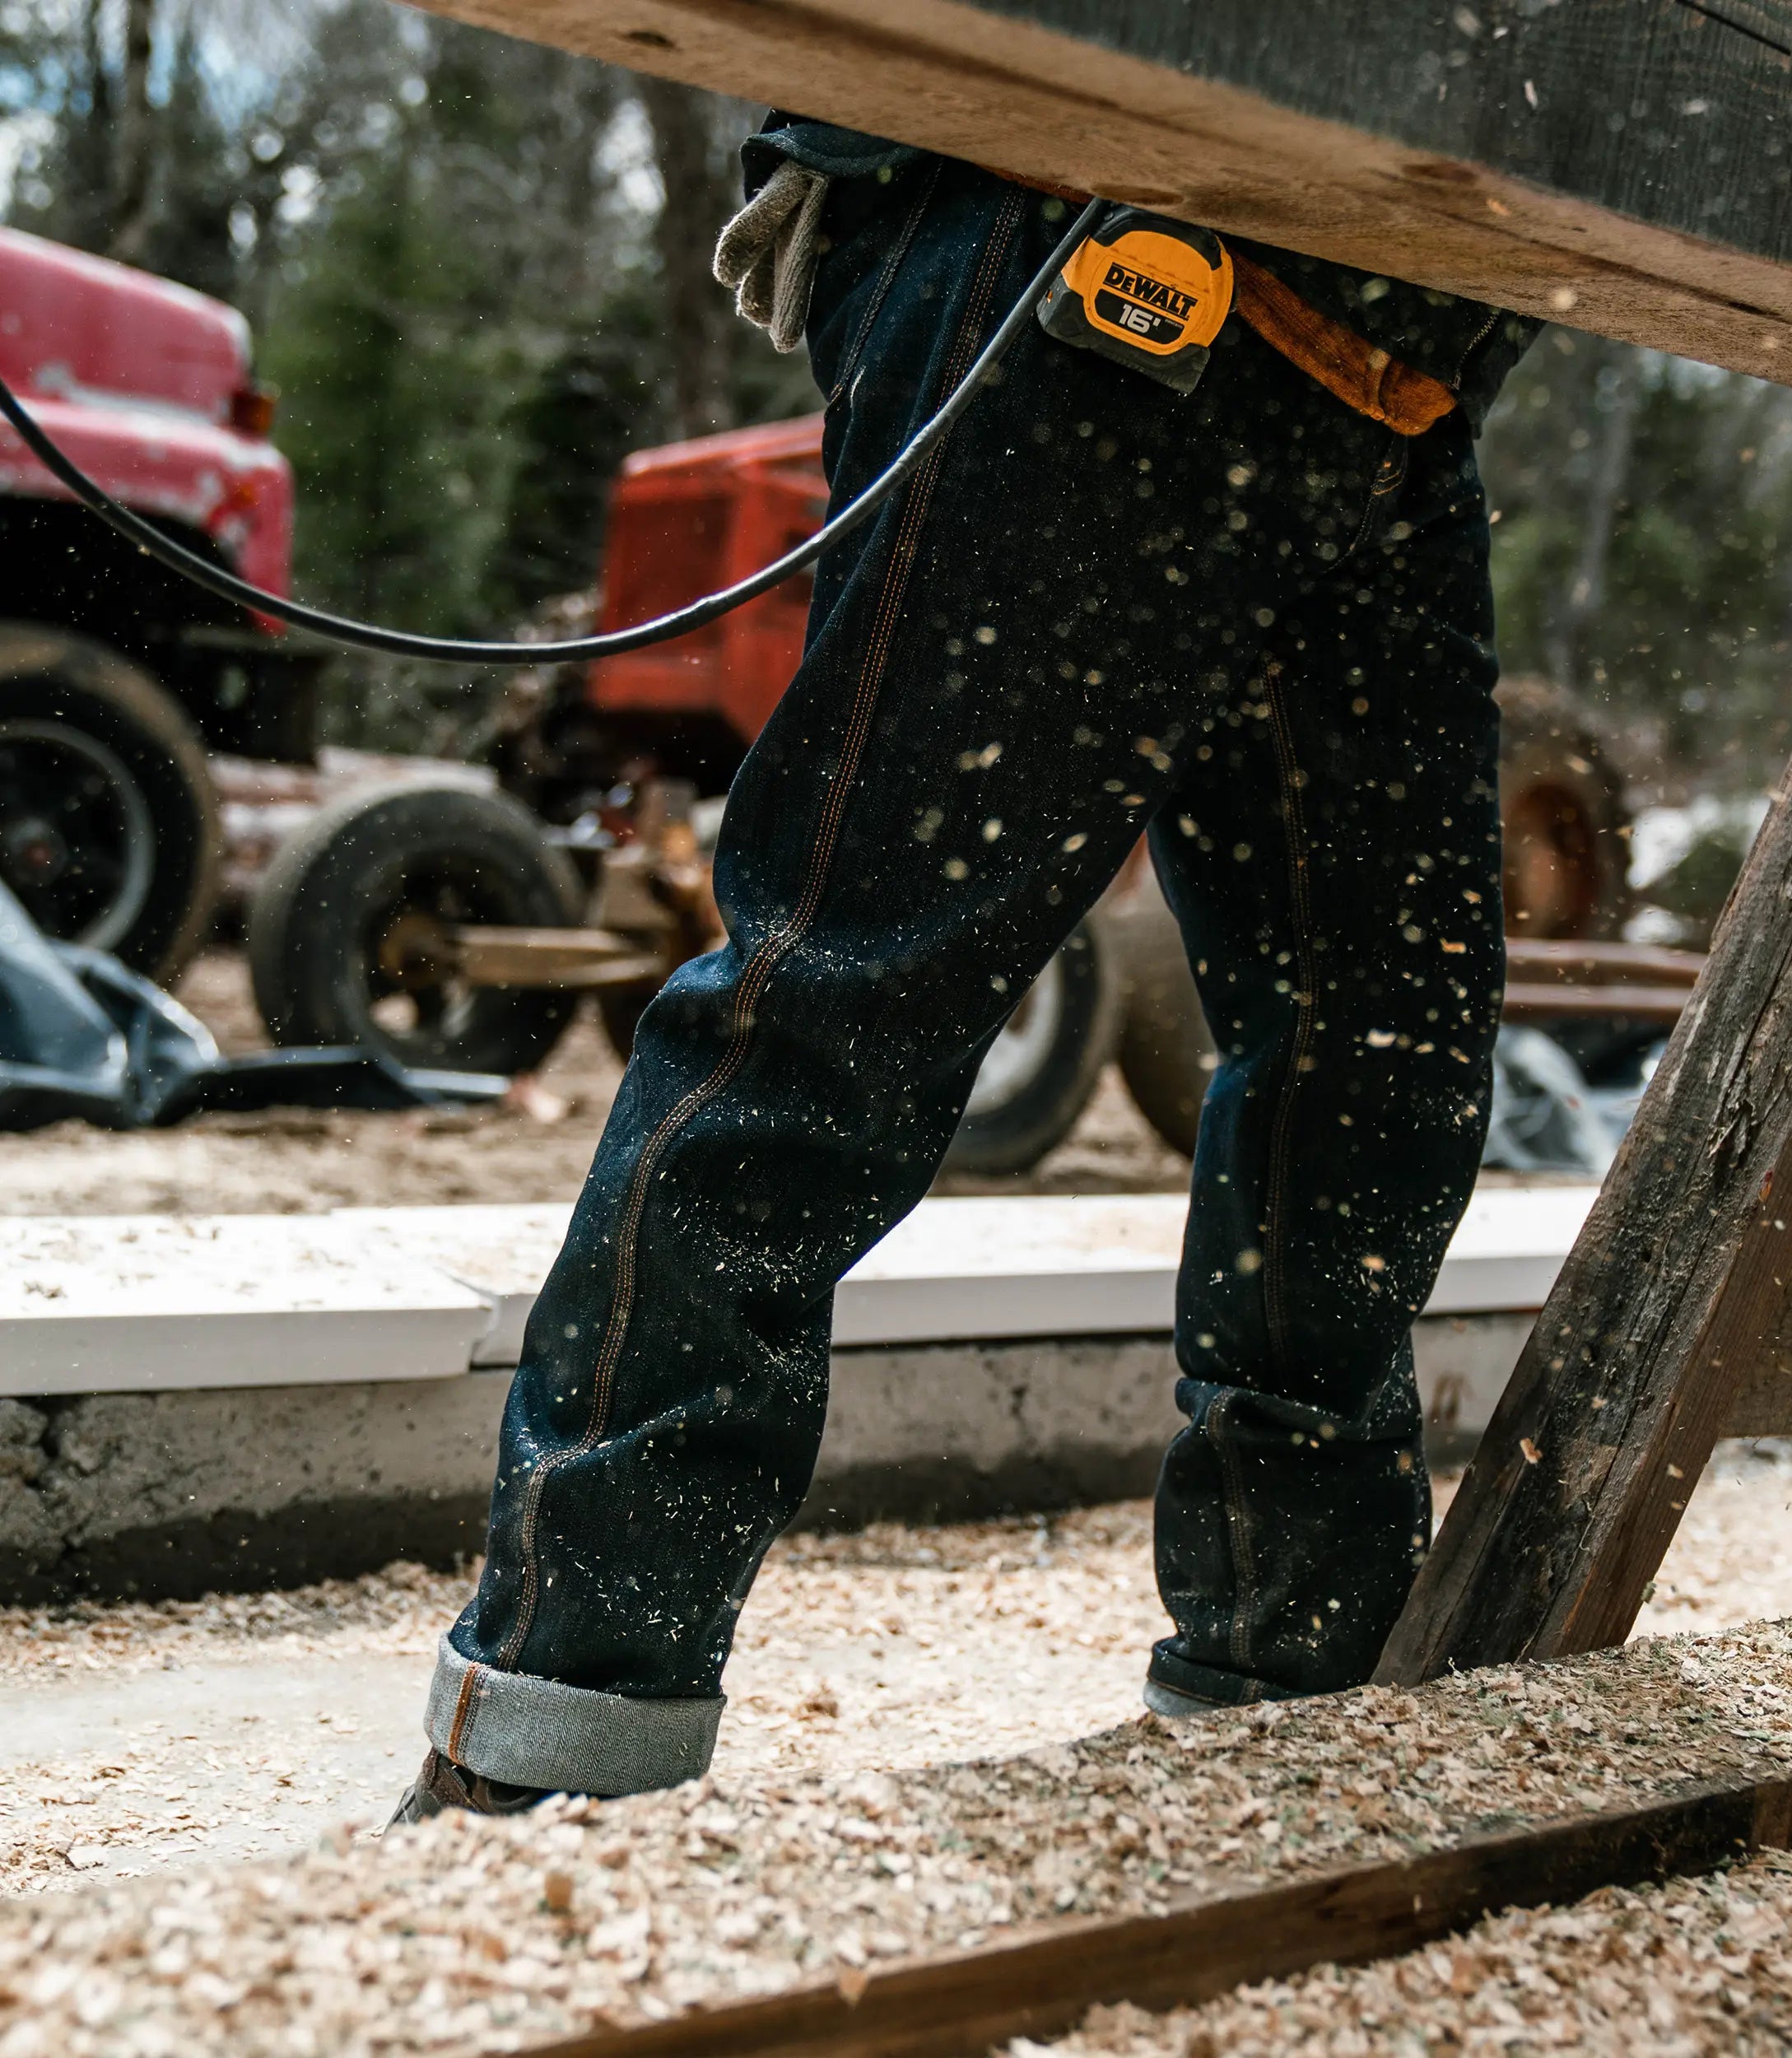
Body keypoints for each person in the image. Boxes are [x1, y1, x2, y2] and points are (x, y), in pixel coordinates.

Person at [392, 119, 1536, 1821]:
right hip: (1092, 245)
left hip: (1385, 359)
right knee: (846, 1001)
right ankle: (558, 1741)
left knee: (1378, 1064)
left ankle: (1293, 1694)